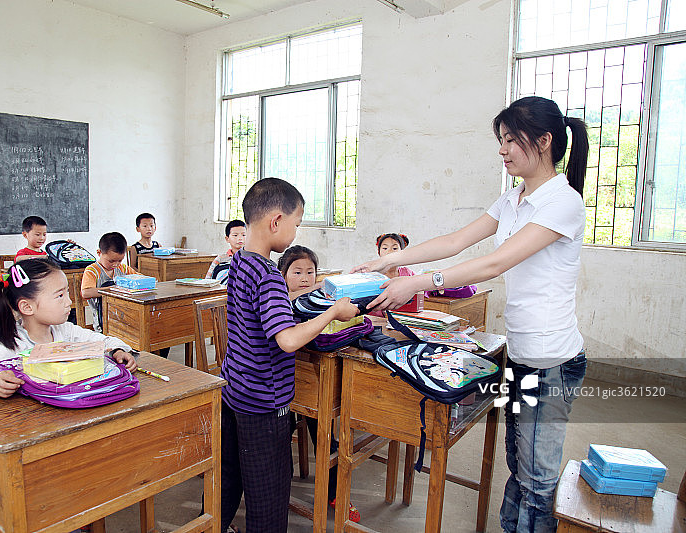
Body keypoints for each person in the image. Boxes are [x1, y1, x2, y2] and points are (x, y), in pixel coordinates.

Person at [352, 96, 589, 533]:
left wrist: (414, 282)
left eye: (511, 140)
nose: (502, 150)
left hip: (552, 360)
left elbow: (494, 264)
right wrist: (392, 260)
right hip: (521, 351)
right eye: (500, 141)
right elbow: (456, 240)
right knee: (518, 465)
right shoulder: (514, 198)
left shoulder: (563, 202)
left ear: (544, 141)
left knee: (538, 478)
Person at [221, 177, 358, 533]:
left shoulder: (239, 263)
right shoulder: (268, 275)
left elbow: (254, 321)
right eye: (297, 223)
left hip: (235, 391)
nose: (296, 232)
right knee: (268, 498)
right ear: (276, 221)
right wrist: (332, 312)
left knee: (233, 478)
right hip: (264, 403)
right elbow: (286, 340)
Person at [0, 259, 137, 397]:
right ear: (27, 307)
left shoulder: (66, 332)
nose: (69, 302)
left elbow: (104, 340)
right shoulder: (11, 347)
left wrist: (119, 351)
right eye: (60, 296)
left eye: (67, 293)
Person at [277, 245, 361, 523]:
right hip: (280, 384)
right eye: (297, 272)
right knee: (282, 434)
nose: (304, 278)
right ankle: (279, 490)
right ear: (282, 274)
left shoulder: (317, 299)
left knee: (325, 431)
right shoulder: (278, 300)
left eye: (310, 272)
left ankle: (335, 490)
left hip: (312, 376)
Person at [80, 232, 139, 334]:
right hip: (104, 323)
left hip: (124, 320)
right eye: (111, 261)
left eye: (120, 260)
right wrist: (114, 290)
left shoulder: (123, 268)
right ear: (99, 253)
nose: (115, 264)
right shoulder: (92, 270)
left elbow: (140, 279)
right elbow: (86, 292)